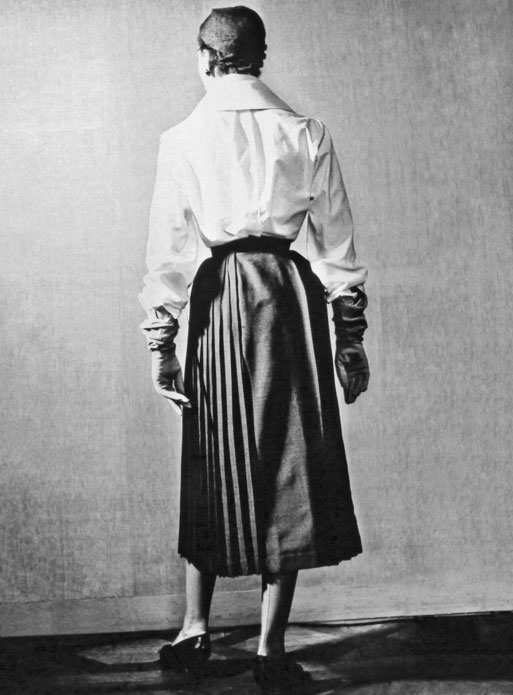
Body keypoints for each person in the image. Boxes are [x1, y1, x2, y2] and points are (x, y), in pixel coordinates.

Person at [139, 6, 370, 692]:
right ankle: (270, 646)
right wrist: (348, 337)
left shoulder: (181, 139)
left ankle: (194, 627)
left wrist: (161, 342)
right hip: (287, 299)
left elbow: (168, 248)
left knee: (209, 452)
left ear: (207, 58)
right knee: (286, 460)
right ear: (259, 57)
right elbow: (336, 244)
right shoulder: (305, 132)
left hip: (217, 299)